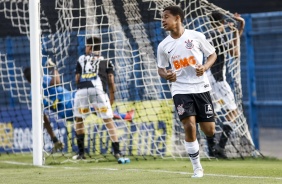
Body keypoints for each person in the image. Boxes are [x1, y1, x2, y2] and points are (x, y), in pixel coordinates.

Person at [157, 6, 217, 178]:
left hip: (201, 88)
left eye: (166, 17)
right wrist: (166, 75)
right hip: (180, 89)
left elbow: (212, 54)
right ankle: (197, 168)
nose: (163, 20)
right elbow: (161, 69)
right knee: (189, 126)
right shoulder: (163, 46)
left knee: (209, 131)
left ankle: (208, 134)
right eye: (162, 18)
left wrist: (204, 67)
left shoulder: (196, 36)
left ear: (178, 18)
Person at [73, 36, 128, 162]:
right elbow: (111, 81)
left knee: (79, 119)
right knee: (108, 121)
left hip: (82, 90)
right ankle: (117, 152)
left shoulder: (81, 59)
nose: (85, 48)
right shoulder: (106, 61)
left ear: (90, 47)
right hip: (98, 90)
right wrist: (111, 98)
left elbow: (77, 78)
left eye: (87, 46)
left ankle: (81, 154)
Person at [206, 11, 245, 159]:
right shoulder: (218, 36)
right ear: (222, 22)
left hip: (208, 79)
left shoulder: (212, 34)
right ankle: (220, 147)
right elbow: (234, 52)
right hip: (217, 80)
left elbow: (232, 46)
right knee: (233, 111)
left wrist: (238, 27)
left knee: (212, 114)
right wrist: (236, 29)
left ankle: (212, 150)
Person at [23, 59, 67, 153]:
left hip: (64, 112)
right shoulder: (43, 80)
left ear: (28, 80)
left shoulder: (33, 95)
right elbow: (57, 81)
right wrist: (53, 68)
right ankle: (81, 153)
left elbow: (44, 119)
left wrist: (54, 139)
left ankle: (81, 153)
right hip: (69, 102)